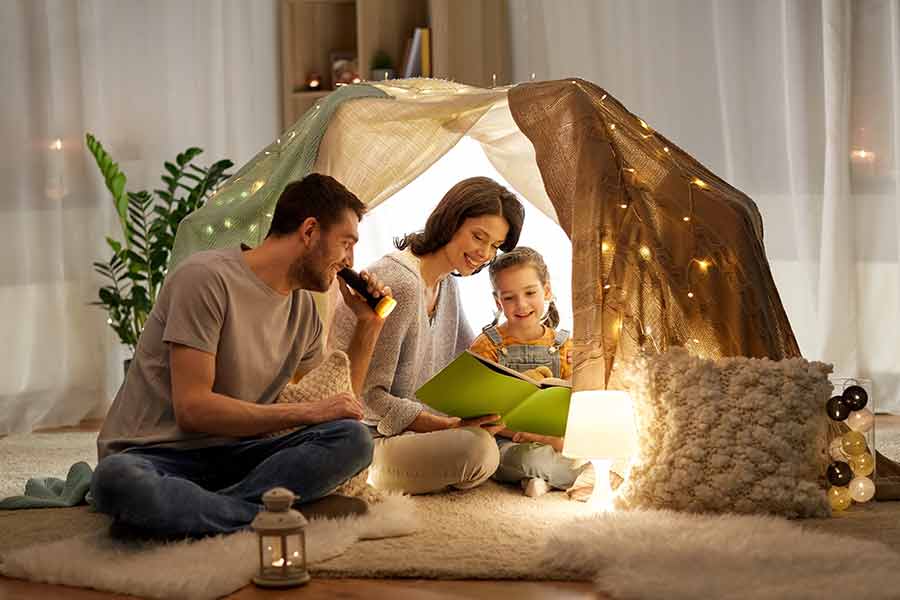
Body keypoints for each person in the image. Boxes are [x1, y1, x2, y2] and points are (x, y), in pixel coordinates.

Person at [91, 173, 391, 538]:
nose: (350, 260)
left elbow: (338, 406)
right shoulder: (205, 279)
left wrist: (368, 326)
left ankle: (207, 514)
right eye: (346, 243)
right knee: (116, 481)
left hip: (239, 456)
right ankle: (271, 513)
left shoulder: (304, 310)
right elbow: (194, 410)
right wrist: (309, 412)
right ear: (310, 231)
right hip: (156, 455)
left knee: (352, 439)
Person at [329, 177, 525, 494]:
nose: (485, 253)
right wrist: (449, 426)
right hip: (365, 440)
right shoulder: (401, 283)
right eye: (479, 237)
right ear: (451, 221)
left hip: (410, 434)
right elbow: (368, 399)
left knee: (492, 443)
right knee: (478, 451)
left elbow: (471, 361)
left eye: (495, 246)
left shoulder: (446, 283)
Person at [468, 246, 586, 497]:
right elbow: (480, 413)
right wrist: (529, 436)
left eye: (530, 292)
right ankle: (558, 477)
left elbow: (573, 404)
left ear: (547, 290)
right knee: (529, 459)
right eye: (509, 297)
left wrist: (554, 438)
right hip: (507, 442)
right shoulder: (486, 345)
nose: (521, 305)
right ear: (498, 301)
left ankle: (542, 479)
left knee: (589, 449)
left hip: (556, 441)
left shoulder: (565, 344)